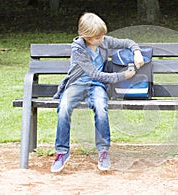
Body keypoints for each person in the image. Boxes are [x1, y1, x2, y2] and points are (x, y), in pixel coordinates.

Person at [50, 12, 144, 172]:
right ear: (86, 36)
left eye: (102, 36)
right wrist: (122, 76)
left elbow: (128, 42)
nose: (101, 41)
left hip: (96, 86)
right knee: (64, 108)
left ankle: (103, 151)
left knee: (101, 109)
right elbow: (95, 73)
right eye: (97, 38)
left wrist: (137, 52)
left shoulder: (104, 41)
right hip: (77, 84)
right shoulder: (78, 49)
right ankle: (62, 152)